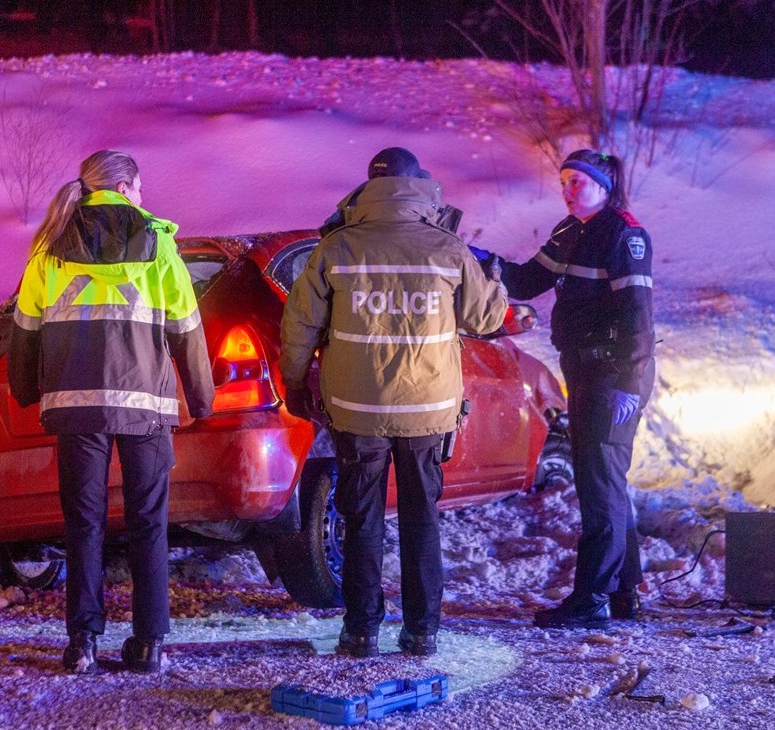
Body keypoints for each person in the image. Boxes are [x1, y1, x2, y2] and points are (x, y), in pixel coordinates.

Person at [280, 147, 507, 657]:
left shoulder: (337, 247)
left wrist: (296, 385)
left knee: (361, 518)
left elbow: (298, 328)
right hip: (428, 411)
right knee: (420, 516)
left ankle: (360, 630)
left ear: (370, 187)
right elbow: (487, 320)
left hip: (355, 410)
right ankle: (422, 630)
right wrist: (494, 282)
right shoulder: (448, 249)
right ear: (419, 185)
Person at [8, 149, 215, 673]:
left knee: (84, 524)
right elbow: (187, 330)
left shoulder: (50, 248)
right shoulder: (159, 246)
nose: (143, 199)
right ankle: (149, 645)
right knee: (148, 523)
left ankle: (82, 643)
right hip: (144, 407)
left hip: (76, 408)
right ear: (123, 187)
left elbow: (25, 331)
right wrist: (202, 398)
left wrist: (25, 390)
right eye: (139, 188)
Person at [475, 149, 656, 629]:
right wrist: (482, 262)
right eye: (564, 181)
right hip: (585, 371)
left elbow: (637, 316)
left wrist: (630, 384)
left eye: (578, 181)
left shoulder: (624, 234)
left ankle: (591, 598)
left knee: (599, 485)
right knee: (605, 482)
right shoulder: (569, 231)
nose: (568, 189)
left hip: (614, 375)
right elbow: (527, 280)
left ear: (603, 185)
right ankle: (623, 594)